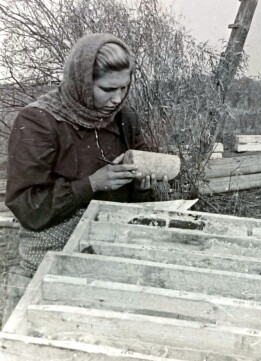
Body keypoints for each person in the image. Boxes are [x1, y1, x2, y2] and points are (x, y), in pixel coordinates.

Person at [5, 34, 165, 278]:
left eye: (124, 88)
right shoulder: (39, 121)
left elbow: (133, 199)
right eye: (107, 89)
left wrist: (142, 187)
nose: (117, 99)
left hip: (113, 246)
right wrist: (92, 183)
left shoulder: (124, 118)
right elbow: (27, 205)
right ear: (81, 81)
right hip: (52, 253)